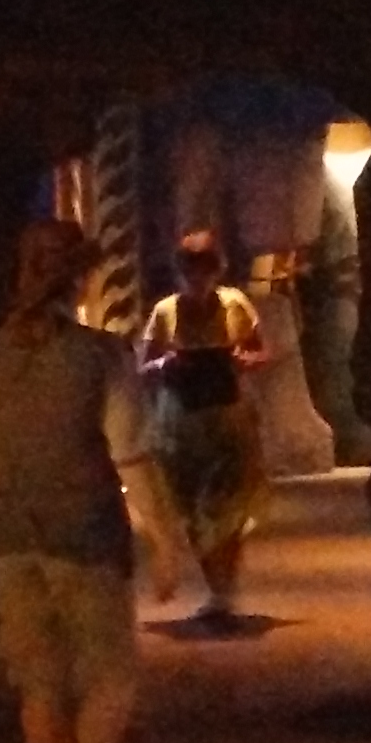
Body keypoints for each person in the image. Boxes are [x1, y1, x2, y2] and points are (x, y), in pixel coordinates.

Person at [0, 217, 178, 743]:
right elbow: (131, 456)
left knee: (40, 685)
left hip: (8, 541)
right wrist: (162, 540)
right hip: (85, 534)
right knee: (112, 678)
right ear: (76, 281)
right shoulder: (101, 357)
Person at [137, 228, 271, 631]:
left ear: (218, 268)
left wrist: (244, 360)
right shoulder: (165, 311)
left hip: (227, 414)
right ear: (180, 269)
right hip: (182, 418)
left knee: (228, 503)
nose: (198, 275)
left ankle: (222, 590)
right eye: (191, 266)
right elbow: (143, 365)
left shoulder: (235, 304)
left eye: (206, 266)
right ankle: (218, 589)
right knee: (193, 505)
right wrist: (167, 365)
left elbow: (261, 349)